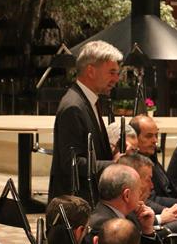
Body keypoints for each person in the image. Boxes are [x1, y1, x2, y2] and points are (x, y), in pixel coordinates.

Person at [48, 40, 122, 202]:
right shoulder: (73, 106)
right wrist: (114, 164)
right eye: (111, 72)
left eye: (117, 73)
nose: (116, 79)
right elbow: (72, 163)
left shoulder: (88, 101)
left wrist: (112, 151)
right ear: (91, 71)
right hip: (77, 203)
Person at [118, 152, 177, 244]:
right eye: (148, 180)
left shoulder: (152, 161)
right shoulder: (124, 206)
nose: (152, 186)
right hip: (153, 231)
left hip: (156, 227)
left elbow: (171, 187)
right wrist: (161, 218)